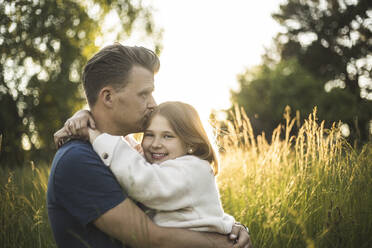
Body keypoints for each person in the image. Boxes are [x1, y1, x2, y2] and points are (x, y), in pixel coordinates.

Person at [48, 43, 252, 248]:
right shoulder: (77, 160)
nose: (153, 103)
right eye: (144, 94)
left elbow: (188, 205)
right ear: (108, 97)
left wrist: (230, 226)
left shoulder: (127, 150)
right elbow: (149, 237)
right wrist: (225, 242)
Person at [56, 101, 238, 235]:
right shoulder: (165, 163)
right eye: (149, 135)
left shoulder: (196, 168)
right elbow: (128, 151)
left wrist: (93, 134)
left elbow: (143, 179)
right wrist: (87, 116)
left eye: (168, 136)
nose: (155, 144)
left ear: (190, 143)